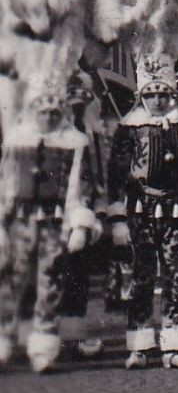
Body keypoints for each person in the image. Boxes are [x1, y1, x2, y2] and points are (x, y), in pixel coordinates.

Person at [111, 52, 178, 369]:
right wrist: (119, 216)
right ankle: (139, 343)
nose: (156, 100)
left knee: (177, 274)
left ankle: (173, 342)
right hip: (141, 209)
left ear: (171, 93)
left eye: (162, 94)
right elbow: (117, 171)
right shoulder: (130, 126)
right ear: (142, 96)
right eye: (150, 94)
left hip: (176, 210)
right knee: (142, 275)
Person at [0, 78, 100, 372]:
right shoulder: (17, 141)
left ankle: (43, 342)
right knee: (10, 279)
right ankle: (4, 338)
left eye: (54, 114)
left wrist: (79, 223)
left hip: (55, 221)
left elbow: (83, 186)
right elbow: (6, 182)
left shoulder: (75, 143)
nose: (48, 118)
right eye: (43, 113)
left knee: (50, 281)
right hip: (20, 219)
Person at [56, 71, 113, 360]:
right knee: (59, 274)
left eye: (83, 102)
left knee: (85, 277)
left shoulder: (94, 133)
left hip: (90, 210)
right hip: (60, 211)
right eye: (73, 103)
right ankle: (57, 336)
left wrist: (102, 210)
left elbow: (101, 174)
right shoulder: (59, 133)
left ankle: (77, 336)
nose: (78, 107)